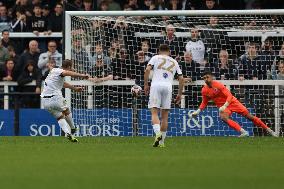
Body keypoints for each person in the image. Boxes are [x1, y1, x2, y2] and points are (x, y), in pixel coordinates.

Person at [190, 71, 278, 137]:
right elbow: (204, 102)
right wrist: (198, 111)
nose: (206, 79)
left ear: (211, 77)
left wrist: (225, 105)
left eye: (207, 77)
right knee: (223, 118)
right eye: (204, 78)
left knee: (249, 117)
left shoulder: (218, 85)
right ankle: (243, 132)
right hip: (223, 107)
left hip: (232, 102)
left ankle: (269, 130)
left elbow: (229, 95)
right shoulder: (204, 90)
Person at [144, 44, 184, 147]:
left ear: (159, 51)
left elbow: (147, 70)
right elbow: (181, 78)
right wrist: (179, 94)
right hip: (168, 87)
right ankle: (161, 143)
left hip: (156, 85)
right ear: (169, 52)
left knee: (154, 112)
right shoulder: (174, 61)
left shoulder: (155, 57)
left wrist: (145, 85)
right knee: (165, 116)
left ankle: (157, 134)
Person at [41, 59, 89, 142]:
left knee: (59, 117)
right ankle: (73, 128)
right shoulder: (61, 71)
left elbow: (62, 84)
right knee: (66, 111)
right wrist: (82, 75)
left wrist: (74, 88)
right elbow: (67, 73)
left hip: (45, 101)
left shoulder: (54, 71)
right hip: (55, 97)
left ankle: (67, 133)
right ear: (69, 66)